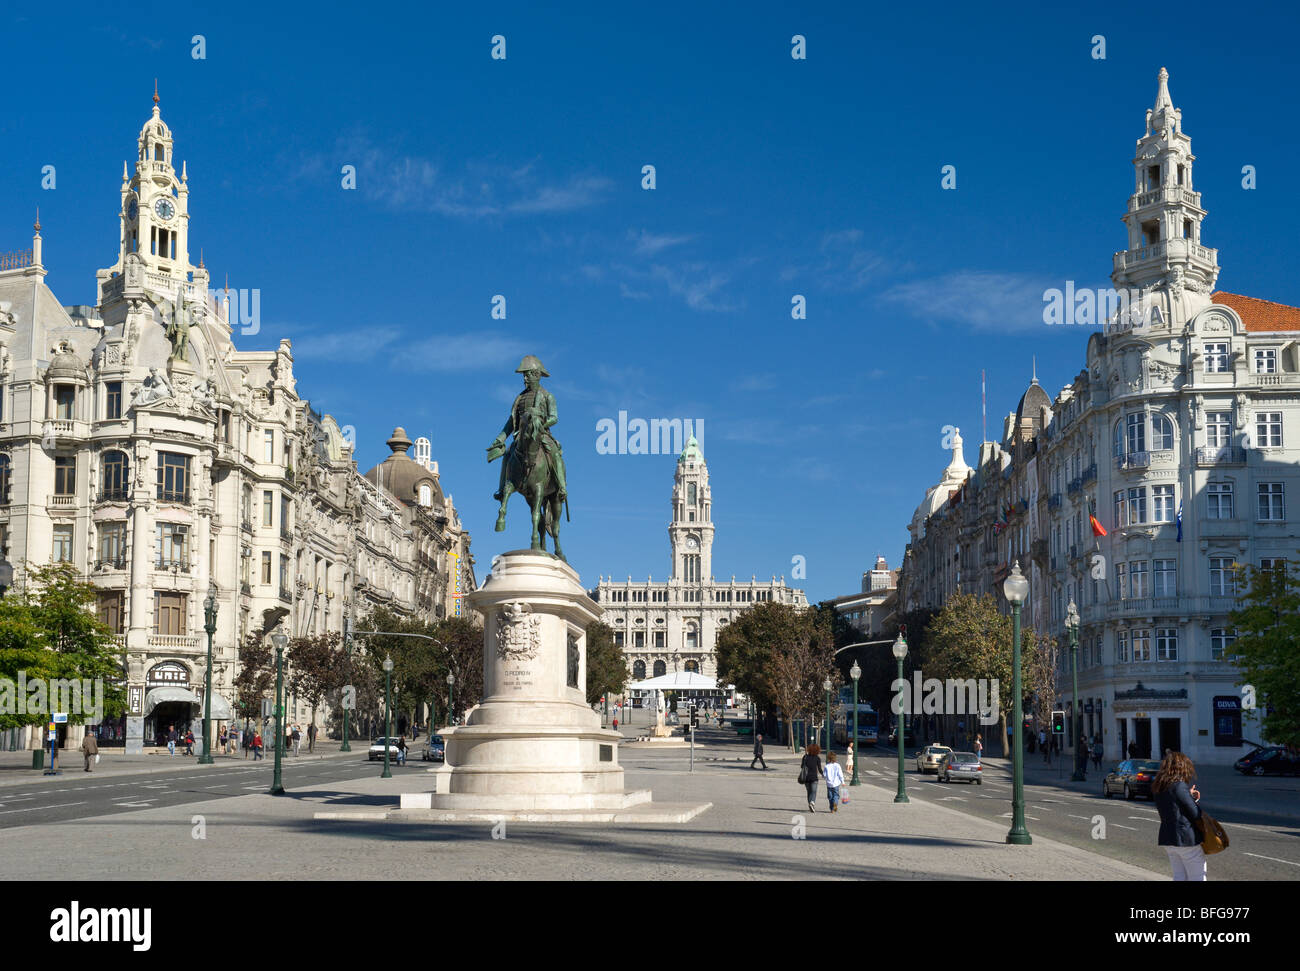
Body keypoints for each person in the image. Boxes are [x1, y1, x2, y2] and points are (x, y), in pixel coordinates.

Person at [1153, 751, 1207, 881]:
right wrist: (1191, 799)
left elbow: (1173, 805)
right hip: (1185, 838)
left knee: (1179, 876)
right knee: (1198, 877)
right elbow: (1195, 813)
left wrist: (1188, 795)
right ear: (1182, 766)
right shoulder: (1179, 785)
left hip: (1168, 838)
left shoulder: (1159, 786)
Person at [800, 743, 822, 812]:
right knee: (814, 791)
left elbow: (802, 766)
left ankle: (810, 804)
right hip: (814, 778)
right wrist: (824, 774)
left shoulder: (805, 757)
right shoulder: (817, 758)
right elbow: (819, 768)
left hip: (806, 778)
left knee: (809, 792)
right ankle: (812, 802)